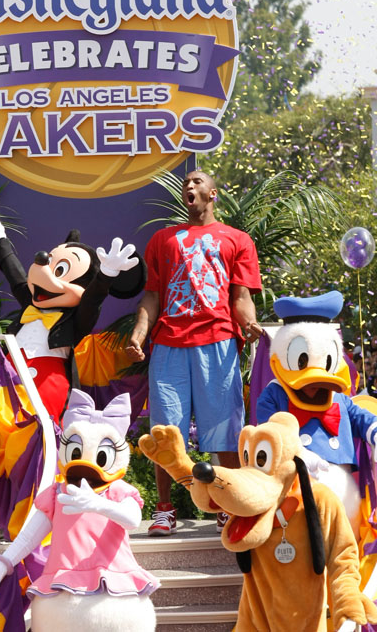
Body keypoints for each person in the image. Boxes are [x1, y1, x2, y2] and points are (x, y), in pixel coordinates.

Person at [126, 170, 263, 536]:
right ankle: (164, 509)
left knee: (224, 430)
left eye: (198, 181)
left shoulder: (237, 239)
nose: (190, 185)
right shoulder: (163, 240)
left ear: (213, 193)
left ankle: (224, 503)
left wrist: (250, 325)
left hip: (218, 341)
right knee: (165, 431)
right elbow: (152, 296)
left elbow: (241, 298)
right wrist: (139, 334)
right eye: (187, 182)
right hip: (169, 343)